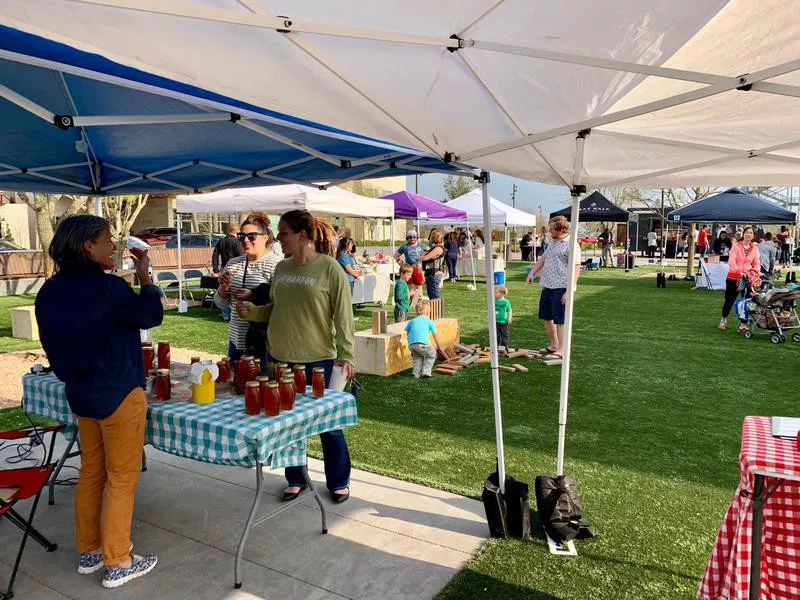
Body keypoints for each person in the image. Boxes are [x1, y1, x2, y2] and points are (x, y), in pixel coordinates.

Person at [35, 215, 163, 588]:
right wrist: (145, 279)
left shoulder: (50, 290)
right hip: (119, 392)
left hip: (81, 393)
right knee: (121, 478)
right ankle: (118, 560)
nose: (113, 246)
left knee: (93, 472)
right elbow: (151, 315)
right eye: (107, 239)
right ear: (87, 246)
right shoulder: (108, 289)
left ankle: (90, 551)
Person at [239, 210, 354, 504]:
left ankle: (338, 480)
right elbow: (273, 309)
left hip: (318, 361)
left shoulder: (330, 269)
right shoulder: (281, 268)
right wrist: (252, 312)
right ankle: (295, 478)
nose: (279, 238)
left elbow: (344, 317)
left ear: (303, 235)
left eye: (284, 232)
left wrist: (347, 354)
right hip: (278, 358)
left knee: (328, 426)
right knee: (287, 424)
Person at [215, 212, 282, 368]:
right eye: (241, 236)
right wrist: (223, 288)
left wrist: (254, 296)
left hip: (263, 342)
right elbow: (220, 304)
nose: (245, 240)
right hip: (235, 340)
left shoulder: (276, 265)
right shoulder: (233, 263)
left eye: (251, 236)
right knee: (234, 386)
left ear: (265, 237)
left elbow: (280, 305)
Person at [525, 215, 579, 359]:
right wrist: (532, 272)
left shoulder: (571, 244)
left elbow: (576, 267)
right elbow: (543, 258)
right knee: (546, 317)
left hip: (561, 287)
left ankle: (562, 350)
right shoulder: (552, 242)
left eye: (552, 229)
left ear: (561, 229)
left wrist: (570, 289)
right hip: (547, 285)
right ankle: (554, 345)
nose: (550, 232)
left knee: (560, 319)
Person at [719, 226, 760, 331]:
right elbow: (731, 261)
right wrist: (738, 271)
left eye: (751, 233)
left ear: (753, 236)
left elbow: (757, 263)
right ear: (743, 234)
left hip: (748, 279)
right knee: (729, 300)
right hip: (734, 277)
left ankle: (743, 324)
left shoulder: (754, 249)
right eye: (747, 232)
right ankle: (724, 319)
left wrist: (755, 272)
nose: (748, 234)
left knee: (747, 301)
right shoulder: (736, 246)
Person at [404, 298, 444, 378]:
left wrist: (411, 345)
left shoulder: (411, 321)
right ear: (428, 311)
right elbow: (435, 335)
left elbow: (408, 333)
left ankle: (416, 373)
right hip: (423, 344)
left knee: (418, 358)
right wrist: (440, 346)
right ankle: (426, 372)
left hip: (412, 345)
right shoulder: (430, 321)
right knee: (432, 354)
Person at [212, 224, 245, 321]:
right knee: (235, 291)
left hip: (224, 269)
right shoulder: (236, 241)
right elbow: (241, 255)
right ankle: (234, 312)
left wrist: (216, 270)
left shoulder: (221, 241)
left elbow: (215, 255)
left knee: (224, 291)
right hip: (236, 268)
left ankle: (225, 314)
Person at [420, 229, 445, 300]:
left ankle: (437, 310)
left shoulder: (438, 248)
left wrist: (418, 257)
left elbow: (426, 258)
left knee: (435, 296)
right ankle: (433, 310)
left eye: (431, 236)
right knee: (431, 296)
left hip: (435, 273)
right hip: (430, 273)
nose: (430, 238)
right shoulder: (435, 248)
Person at [494, 285, 512, 352]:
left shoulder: (506, 302)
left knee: (504, 335)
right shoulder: (494, 301)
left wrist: (509, 318)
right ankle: (496, 346)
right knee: (496, 335)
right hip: (495, 321)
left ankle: (505, 347)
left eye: (496, 292)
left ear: (502, 293)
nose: (494, 294)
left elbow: (509, 310)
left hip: (503, 322)